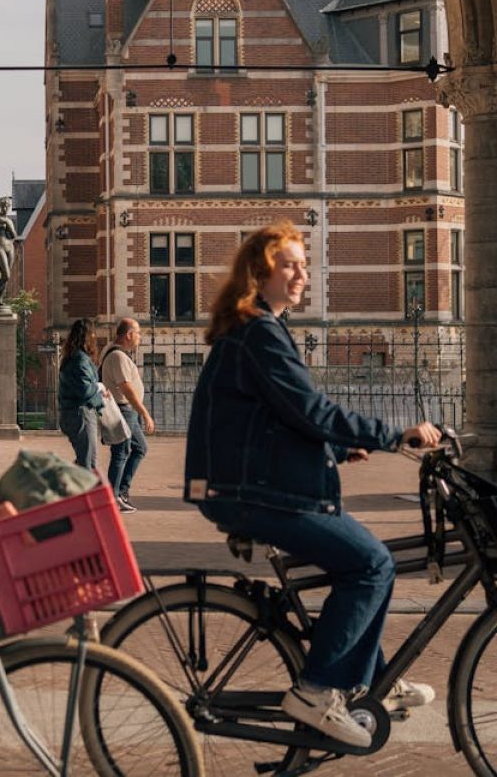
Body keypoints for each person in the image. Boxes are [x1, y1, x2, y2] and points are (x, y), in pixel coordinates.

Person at [184, 221, 441, 748]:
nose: (303, 273)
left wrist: (337, 446)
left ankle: (369, 683)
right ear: (260, 272)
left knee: (371, 564)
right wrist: (396, 434)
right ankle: (318, 689)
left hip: (252, 485)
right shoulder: (257, 330)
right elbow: (309, 407)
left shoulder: (260, 326)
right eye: (290, 264)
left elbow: (279, 417)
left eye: (304, 264)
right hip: (251, 494)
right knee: (371, 564)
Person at [100, 318, 154, 513]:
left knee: (139, 448)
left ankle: (120, 492)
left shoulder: (115, 352)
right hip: (123, 409)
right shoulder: (118, 357)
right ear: (128, 335)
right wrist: (145, 413)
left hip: (126, 410)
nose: (140, 337)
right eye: (138, 333)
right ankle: (114, 497)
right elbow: (126, 388)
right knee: (121, 453)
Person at [57, 318, 106, 470]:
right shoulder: (81, 360)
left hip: (72, 413)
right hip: (81, 414)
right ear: (88, 336)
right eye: (93, 334)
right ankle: (73, 489)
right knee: (88, 462)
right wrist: (99, 387)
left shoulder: (71, 358)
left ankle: (71, 487)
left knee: (84, 460)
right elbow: (84, 390)